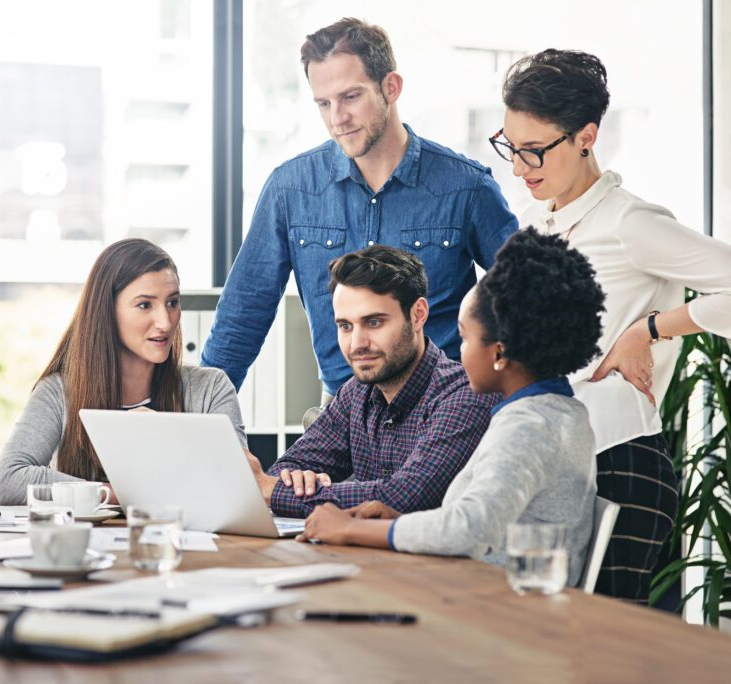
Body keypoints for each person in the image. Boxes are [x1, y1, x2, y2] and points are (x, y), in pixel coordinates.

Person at [492, 49, 731, 603]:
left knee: (602, 652)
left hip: (619, 462)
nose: (519, 168)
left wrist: (647, 329)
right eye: (510, 147)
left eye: (534, 151)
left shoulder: (630, 223)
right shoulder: (532, 223)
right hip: (546, 462)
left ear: (586, 136)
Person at [201, 17, 518, 400]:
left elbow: (523, 299)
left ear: (391, 87)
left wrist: (507, 413)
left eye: (350, 97)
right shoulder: (290, 190)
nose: (337, 119)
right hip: (341, 413)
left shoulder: (466, 186)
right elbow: (242, 316)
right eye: (323, 103)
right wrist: (197, 422)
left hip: (444, 410)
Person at [298, 230, 604, 588]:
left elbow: (470, 526)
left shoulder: (529, 426)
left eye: (464, 337)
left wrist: (353, 529)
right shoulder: (558, 414)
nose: (457, 353)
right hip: (488, 595)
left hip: (501, 612)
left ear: (499, 352)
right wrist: (393, 520)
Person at [245, 244, 497, 518]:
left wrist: (275, 491)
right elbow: (289, 467)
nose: (357, 344)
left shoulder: (466, 394)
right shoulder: (355, 394)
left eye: (374, 322)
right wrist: (297, 480)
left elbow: (405, 497)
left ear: (418, 314)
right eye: (345, 326)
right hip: (367, 557)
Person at [0, 239, 247, 506]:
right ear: (107, 311)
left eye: (172, 302)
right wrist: (117, 494)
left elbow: (240, 487)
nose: (165, 322)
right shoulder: (58, 393)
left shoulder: (211, 388)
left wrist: (169, 437)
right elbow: (8, 481)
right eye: (145, 305)